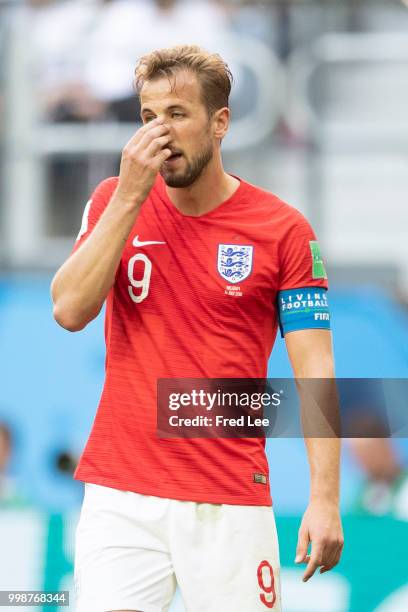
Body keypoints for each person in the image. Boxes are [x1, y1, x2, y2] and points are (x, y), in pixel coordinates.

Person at [51, 45, 343, 612]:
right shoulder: (114, 202)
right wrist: (131, 197)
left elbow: (316, 370)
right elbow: (68, 310)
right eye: (147, 117)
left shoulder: (281, 230)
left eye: (178, 114)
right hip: (122, 492)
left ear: (220, 122)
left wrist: (325, 498)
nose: (159, 133)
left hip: (228, 496)